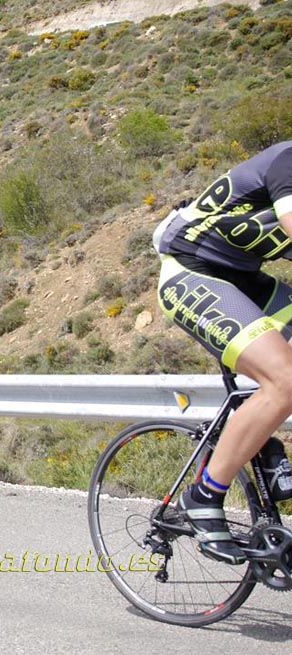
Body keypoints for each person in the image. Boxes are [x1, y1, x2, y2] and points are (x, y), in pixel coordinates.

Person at [153, 139, 292, 563]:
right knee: (285, 380)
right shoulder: (288, 160)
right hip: (192, 269)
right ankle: (204, 495)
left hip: (243, 278)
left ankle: (265, 449)